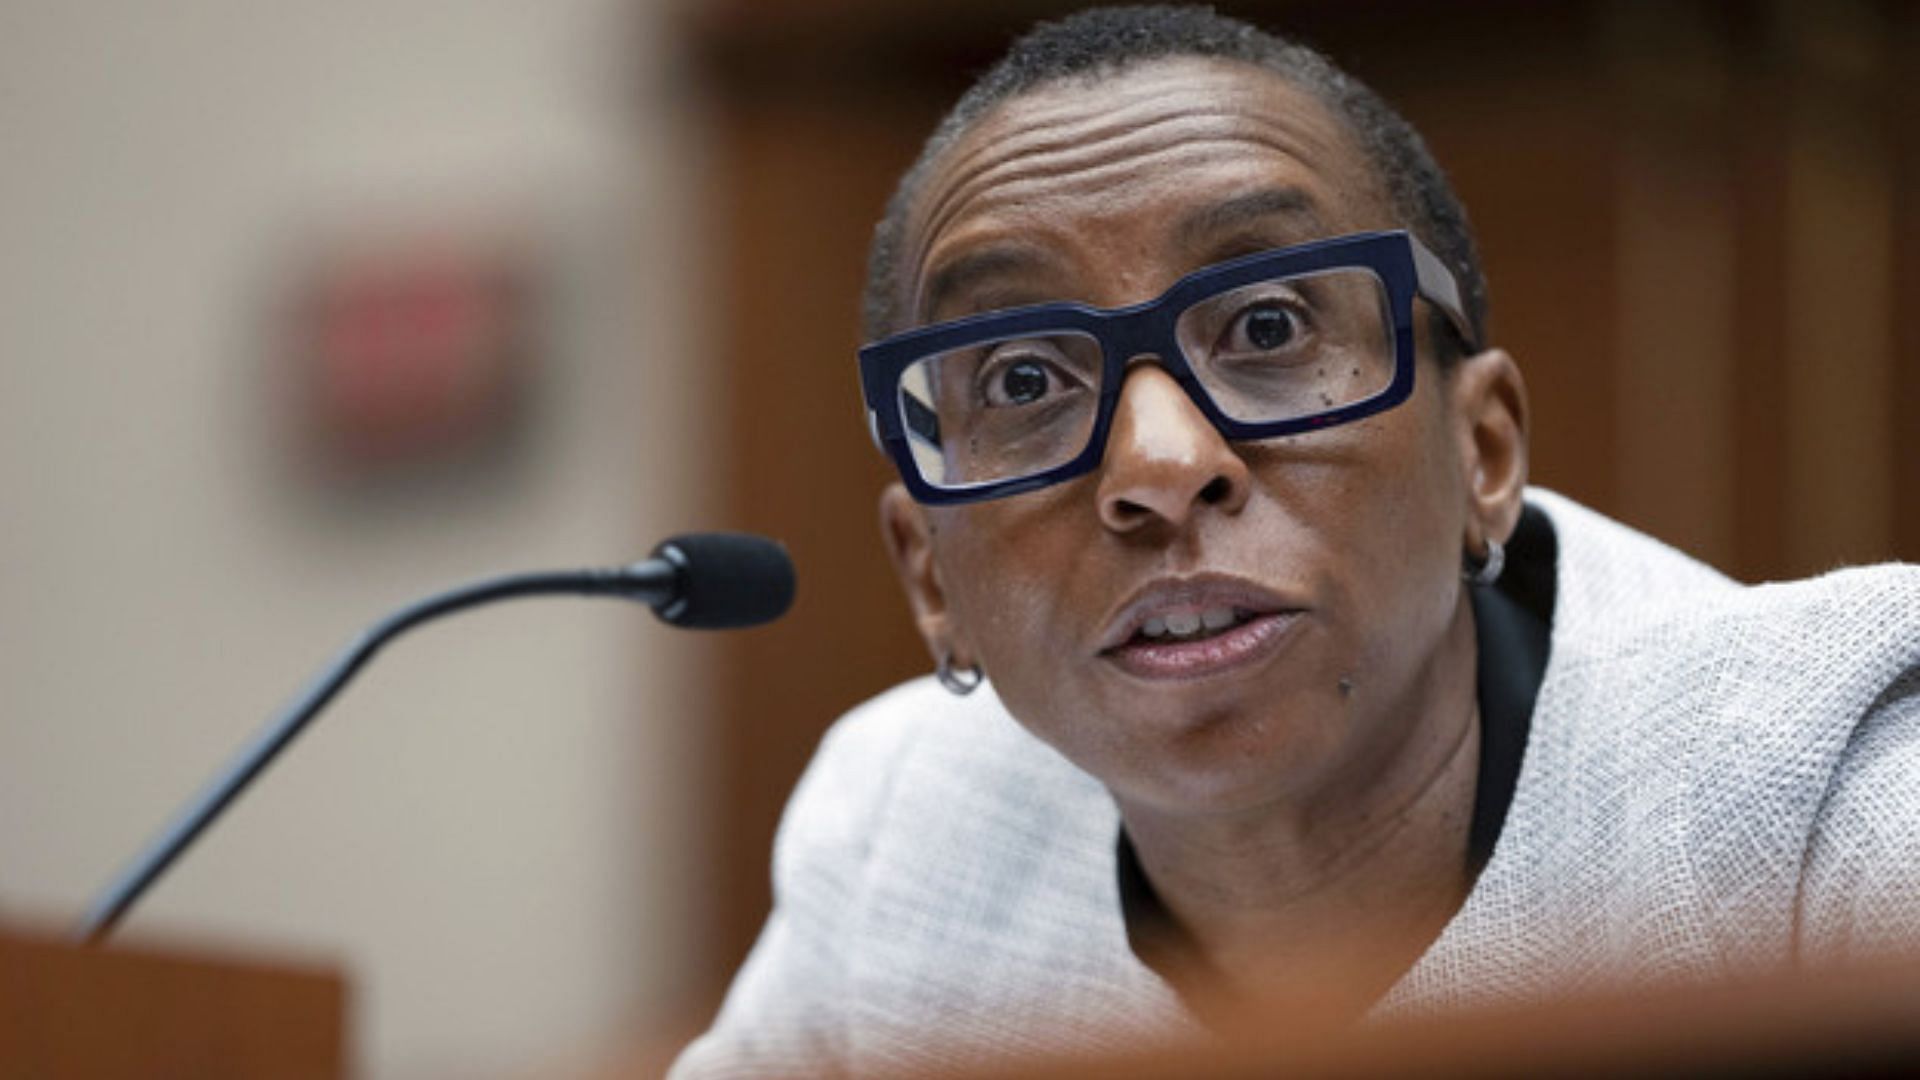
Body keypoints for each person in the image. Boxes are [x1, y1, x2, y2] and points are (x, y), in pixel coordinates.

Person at [673, 5, 1920, 1076]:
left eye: (1268, 328)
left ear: (1483, 454)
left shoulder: (1825, 790)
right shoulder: (900, 832)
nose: (1159, 470)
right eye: (1018, 382)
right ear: (929, 576)